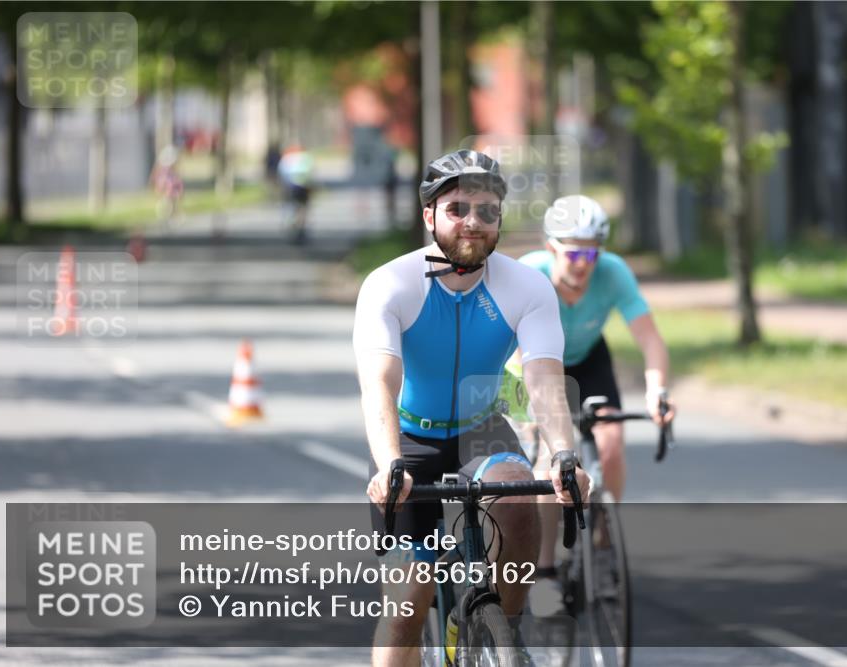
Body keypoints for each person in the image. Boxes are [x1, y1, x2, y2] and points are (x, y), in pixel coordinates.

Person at [353, 149, 591, 667]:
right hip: (408, 437)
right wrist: (391, 461)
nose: (473, 222)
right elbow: (380, 382)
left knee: (518, 504)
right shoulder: (390, 284)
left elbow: (544, 379)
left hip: (479, 428)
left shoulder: (526, 286)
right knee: (406, 605)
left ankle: (498, 631)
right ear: (429, 215)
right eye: (458, 207)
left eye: (487, 211)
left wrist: (565, 455)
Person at [515, 194, 676, 614]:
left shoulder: (613, 273)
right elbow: (508, 349)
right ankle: (546, 568)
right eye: (573, 252)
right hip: (534, 365)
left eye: (592, 252)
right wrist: (528, 413)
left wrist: (657, 391)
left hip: (588, 361)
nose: (583, 263)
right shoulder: (530, 274)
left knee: (610, 446)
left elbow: (650, 340)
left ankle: (603, 543)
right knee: (549, 465)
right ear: (551, 248)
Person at [277, 144, 314, 244]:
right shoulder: (306, 157)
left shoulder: (286, 158)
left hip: (290, 186)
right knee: (302, 207)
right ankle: (300, 225)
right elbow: (311, 172)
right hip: (303, 186)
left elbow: (281, 173)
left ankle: (291, 222)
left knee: (291, 205)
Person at [149, 145, 184, 227]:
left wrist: (179, 188)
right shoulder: (163, 171)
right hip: (166, 190)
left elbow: (176, 181)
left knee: (173, 203)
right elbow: (158, 180)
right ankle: (167, 216)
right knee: (167, 203)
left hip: (171, 190)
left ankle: (173, 216)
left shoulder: (172, 172)